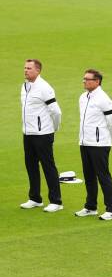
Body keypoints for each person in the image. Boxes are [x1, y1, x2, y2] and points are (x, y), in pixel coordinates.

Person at [74, 69, 112, 221]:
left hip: (99, 144)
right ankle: (90, 206)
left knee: (103, 176)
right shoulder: (83, 97)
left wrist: (105, 139)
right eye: (84, 79)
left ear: (97, 81)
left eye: (88, 79)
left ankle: (111, 209)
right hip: (85, 142)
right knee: (89, 176)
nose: (84, 81)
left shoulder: (103, 99)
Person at [20, 59, 63, 212]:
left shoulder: (44, 88)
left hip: (43, 134)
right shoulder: (25, 86)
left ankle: (56, 201)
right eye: (25, 68)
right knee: (31, 166)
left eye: (29, 68)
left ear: (38, 71)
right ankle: (35, 198)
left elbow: (56, 111)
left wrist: (54, 127)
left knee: (48, 166)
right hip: (28, 133)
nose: (25, 71)